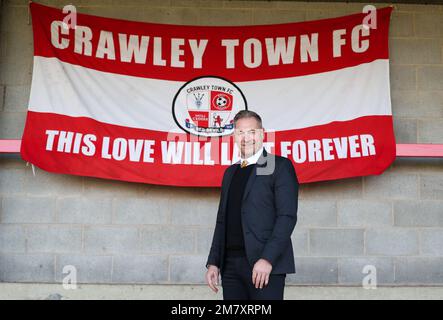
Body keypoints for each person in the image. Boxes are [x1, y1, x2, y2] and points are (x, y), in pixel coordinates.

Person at [205, 110, 299, 300]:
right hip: (230, 266)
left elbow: (287, 217)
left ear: (262, 133)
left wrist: (267, 259)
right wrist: (214, 261)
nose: (246, 138)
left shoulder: (277, 165)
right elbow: (222, 220)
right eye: (240, 133)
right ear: (234, 136)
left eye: (252, 132)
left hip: (264, 266)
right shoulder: (230, 173)